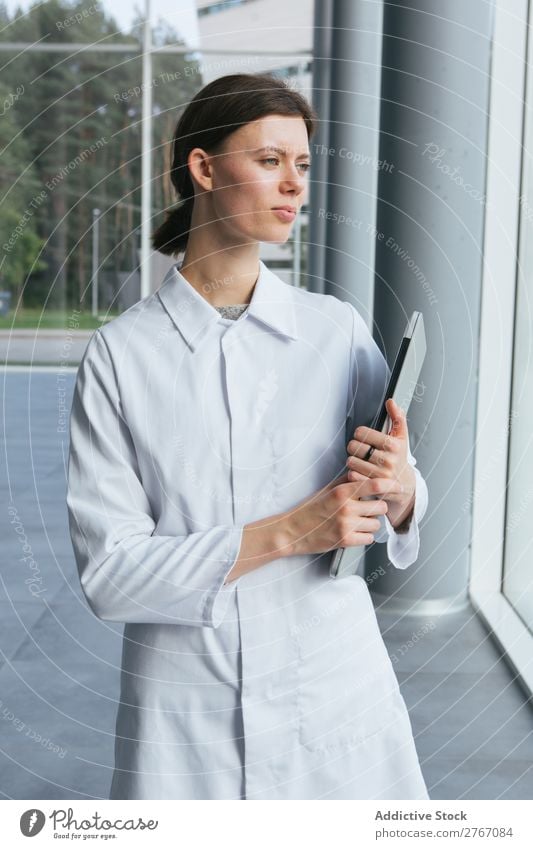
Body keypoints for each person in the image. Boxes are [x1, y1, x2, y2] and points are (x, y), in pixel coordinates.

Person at [66, 72, 429, 800]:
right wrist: (291, 531)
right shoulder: (120, 355)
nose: (292, 184)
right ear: (203, 168)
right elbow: (110, 575)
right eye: (268, 161)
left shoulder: (334, 330)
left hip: (333, 688)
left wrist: (399, 490)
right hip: (185, 715)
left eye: (300, 165)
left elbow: (398, 501)